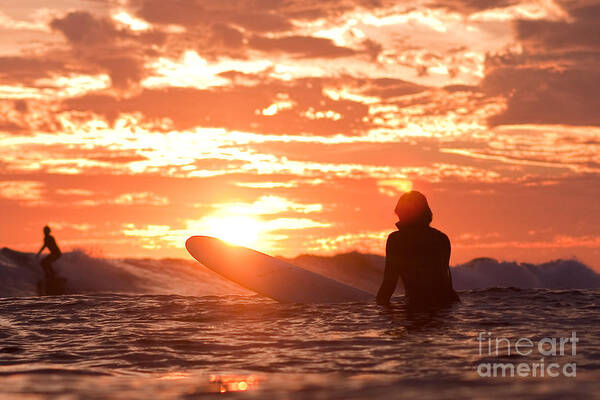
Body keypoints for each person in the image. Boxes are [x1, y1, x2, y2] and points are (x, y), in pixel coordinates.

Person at [376, 191, 459, 308]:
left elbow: (389, 284)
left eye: (401, 216)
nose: (398, 221)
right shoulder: (441, 238)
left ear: (408, 215)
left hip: (418, 305)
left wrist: (377, 313)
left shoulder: (397, 240)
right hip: (447, 306)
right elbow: (446, 283)